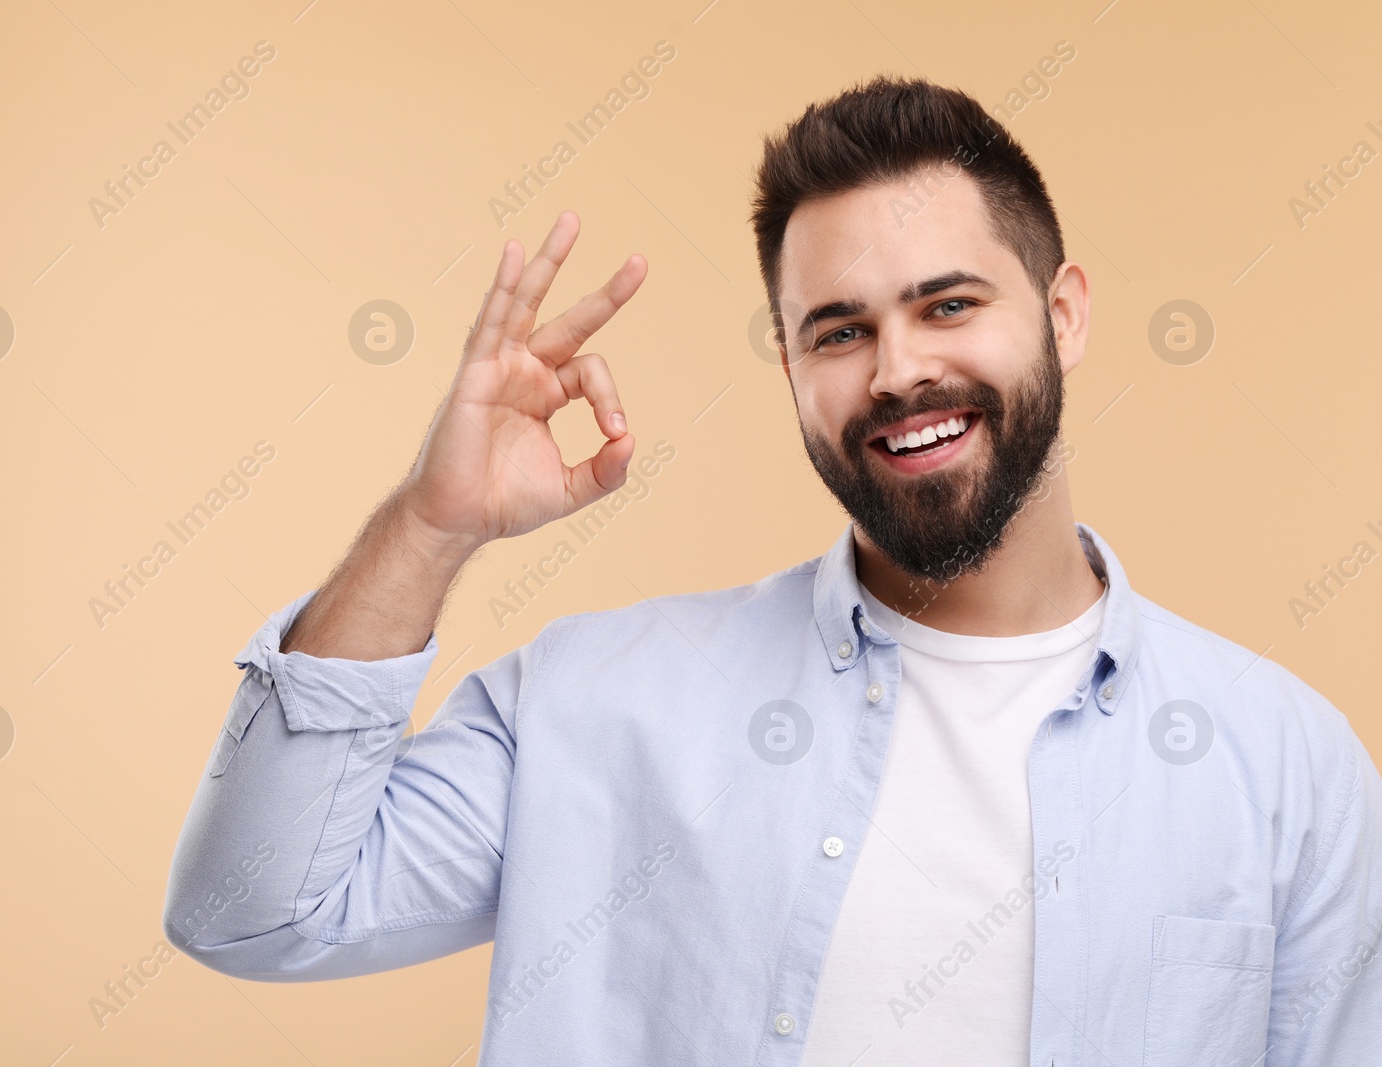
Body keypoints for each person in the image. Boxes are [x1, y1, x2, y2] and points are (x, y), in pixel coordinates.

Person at [163, 75, 1381, 1065]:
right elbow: (251, 909)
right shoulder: (597, 700)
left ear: (1062, 314)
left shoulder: (1282, 762)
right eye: (838, 330)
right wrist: (431, 524)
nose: (896, 370)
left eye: (947, 304)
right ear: (792, 370)